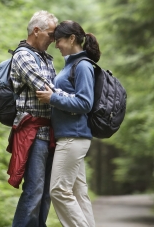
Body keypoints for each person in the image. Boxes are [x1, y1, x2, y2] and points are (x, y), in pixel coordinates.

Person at [36, 20, 101, 227]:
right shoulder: (72, 64)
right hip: (71, 136)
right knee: (78, 193)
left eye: (59, 41)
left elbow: (85, 103)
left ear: (72, 39)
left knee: (58, 190)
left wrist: (52, 98)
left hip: (73, 137)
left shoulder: (82, 66)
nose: (56, 45)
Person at [8, 10, 58, 227]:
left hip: (49, 133)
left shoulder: (46, 59)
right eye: (51, 35)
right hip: (33, 133)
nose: (54, 40)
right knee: (34, 191)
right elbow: (46, 89)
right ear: (36, 31)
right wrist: (78, 100)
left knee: (46, 194)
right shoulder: (23, 56)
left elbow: (55, 94)